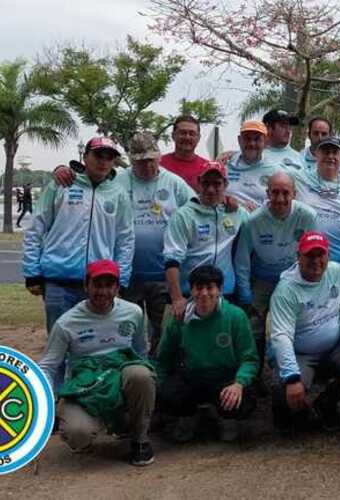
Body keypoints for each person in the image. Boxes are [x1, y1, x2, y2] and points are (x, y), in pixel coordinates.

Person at [37, 259, 155, 466]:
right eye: (97, 285)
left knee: (141, 375)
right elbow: (48, 366)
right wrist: (40, 400)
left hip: (120, 378)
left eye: (109, 285)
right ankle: (95, 424)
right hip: (85, 387)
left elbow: (140, 352)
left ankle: (140, 438)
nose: (103, 292)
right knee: (78, 435)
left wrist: (143, 395)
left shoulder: (133, 312)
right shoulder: (67, 323)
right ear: (86, 286)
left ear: (117, 288)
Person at [23, 136, 134, 335]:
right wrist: (32, 272)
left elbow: (125, 240)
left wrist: (122, 280)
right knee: (58, 344)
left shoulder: (118, 194)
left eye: (109, 157)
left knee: (93, 345)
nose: (103, 161)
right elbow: (35, 229)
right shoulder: (61, 185)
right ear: (85, 156)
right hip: (58, 281)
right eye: (98, 155)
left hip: (99, 284)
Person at [155, 265, 259, 443]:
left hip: (224, 377)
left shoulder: (235, 316)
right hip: (191, 376)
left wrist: (239, 383)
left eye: (210, 287)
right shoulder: (179, 319)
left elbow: (250, 358)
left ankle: (227, 419)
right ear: (192, 290)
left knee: (244, 396)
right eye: (198, 287)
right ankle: (187, 417)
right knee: (167, 393)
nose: (204, 293)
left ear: (219, 290)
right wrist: (159, 386)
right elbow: (164, 357)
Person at [115, 132, 195, 354]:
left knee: (164, 333)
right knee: (127, 331)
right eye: (141, 162)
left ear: (159, 156)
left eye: (151, 160)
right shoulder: (118, 181)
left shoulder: (174, 183)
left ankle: (159, 378)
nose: (147, 166)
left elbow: (195, 210)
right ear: (132, 160)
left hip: (163, 276)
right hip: (128, 276)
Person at [269, 231, 340, 432]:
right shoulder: (285, 291)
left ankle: (326, 403)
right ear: (298, 257)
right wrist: (292, 378)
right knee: (285, 395)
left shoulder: (336, 271)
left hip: (334, 347)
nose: (316, 261)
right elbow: (281, 337)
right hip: (301, 352)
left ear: (328, 256)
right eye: (309, 255)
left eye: (321, 255)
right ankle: (286, 411)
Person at [234, 171, 317, 375]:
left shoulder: (307, 216)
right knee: (254, 328)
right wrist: (245, 292)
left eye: (285, 193)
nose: (280, 199)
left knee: (296, 325)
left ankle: (293, 371)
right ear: (267, 193)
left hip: (294, 278)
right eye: (275, 192)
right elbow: (242, 259)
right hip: (262, 278)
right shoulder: (253, 221)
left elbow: (314, 253)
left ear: (294, 194)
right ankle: (252, 375)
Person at [164, 161, 247, 321]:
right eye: (206, 183)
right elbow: (171, 260)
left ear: (226, 184)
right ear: (198, 183)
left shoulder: (237, 212)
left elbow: (258, 224)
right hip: (191, 292)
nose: (210, 189)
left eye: (217, 184)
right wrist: (177, 298)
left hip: (225, 292)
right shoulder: (183, 216)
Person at [293, 136, 340, 263]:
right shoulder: (300, 179)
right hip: (314, 261)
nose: (330, 156)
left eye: (335, 152)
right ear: (316, 155)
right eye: (326, 152)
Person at [225, 120, 285, 212]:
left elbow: (283, 203)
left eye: (257, 139)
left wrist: (260, 210)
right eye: (247, 139)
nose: (252, 143)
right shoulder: (225, 165)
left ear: (265, 141)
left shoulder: (275, 172)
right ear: (239, 140)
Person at [159, 115, 211, 192]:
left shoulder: (208, 168)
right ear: (173, 136)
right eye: (182, 133)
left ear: (198, 138)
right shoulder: (158, 164)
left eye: (192, 134)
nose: (187, 137)